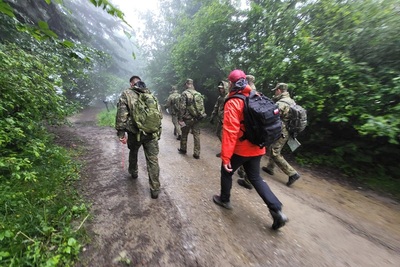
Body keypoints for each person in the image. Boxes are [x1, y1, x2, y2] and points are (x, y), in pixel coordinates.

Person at [212, 69, 288, 230]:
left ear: (231, 83)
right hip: (258, 147)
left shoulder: (233, 101)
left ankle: (224, 199)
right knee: (256, 178)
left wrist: (226, 157)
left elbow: (230, 131)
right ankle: (276, 210)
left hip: (241, 149)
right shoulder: (257, 96)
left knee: (226, 171)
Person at [115, 75, 162, 199]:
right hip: (151, 133)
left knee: (134, 151)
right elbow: (158, 114)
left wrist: (121, 133)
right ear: (140, 82)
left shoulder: (126, 94)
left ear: (131, 84)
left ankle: (133, 172)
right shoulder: (150, 94)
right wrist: (158, 131)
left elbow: (121, 115)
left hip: (134, 133)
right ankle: (155, 189)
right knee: (153, 159)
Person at [261, 83, 301, 186]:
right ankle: (270, 168)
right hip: (286, 130)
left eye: (276, 90)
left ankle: (292, 173)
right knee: (273, 148)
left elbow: (273, 115)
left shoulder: (282, 103)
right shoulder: (291, 101)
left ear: (279, 90)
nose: (275, 92)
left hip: (281, 131)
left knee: (275, 152)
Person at [236, 74, 257, 190]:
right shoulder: (257, 93)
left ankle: (247, 178)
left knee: (246, 149)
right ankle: (244, 173)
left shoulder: (248, 93)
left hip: (247, 125)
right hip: (255, 127)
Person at [177, 78, 205, 159]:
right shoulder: (198, 93)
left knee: (184, 134)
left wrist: (180, 118)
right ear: (192, 84)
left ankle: (183, 149)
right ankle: (197, 153)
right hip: (197, 118)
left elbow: (182, 107)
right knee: (196, 135)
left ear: (186, 84)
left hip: (187, 119)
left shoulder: (184, 94)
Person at [210, 81, 229, 157]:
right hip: (220, 118)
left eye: (222, 88)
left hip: (226, 119)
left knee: (224, 135)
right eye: (219, 88)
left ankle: (225, 151)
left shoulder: (228, 96)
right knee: (218, 133)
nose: (220, 89)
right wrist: (212, 116)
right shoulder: (220, 97)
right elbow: (216, 107)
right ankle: (225, 150)